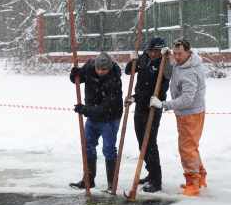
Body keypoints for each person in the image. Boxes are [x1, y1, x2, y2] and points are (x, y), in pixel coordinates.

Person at [150, 38, 207, 197]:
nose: (177, 56)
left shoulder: (190, 71)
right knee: (191, 146)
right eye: (175, 53)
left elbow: (187, 99)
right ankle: (200, 177)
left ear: (189, 51)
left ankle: (193, 183)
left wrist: (164, 105)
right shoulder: (182, 63)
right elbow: (170, 70)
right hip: (188, 113)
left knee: (187, 149)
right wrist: (168, 56)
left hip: (190, 113)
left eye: (179, 53)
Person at [124, 37, 172, 193]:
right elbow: (128, 71)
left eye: (156, 51)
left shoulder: (165, 63)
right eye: (150, 51)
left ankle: (156, 180)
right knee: (141, 142)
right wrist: (133, 61)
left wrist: (167, 57)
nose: (152, 54)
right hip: (139, 105)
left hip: (153, 106)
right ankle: (150, 173)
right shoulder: (144, 59)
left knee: (150, 143)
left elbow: (167, 77)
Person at [69, 52, 123, 191]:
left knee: (109, 150)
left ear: (109, 68)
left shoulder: (114, 80)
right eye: (98, 69)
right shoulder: (90, 67)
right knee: (87, 145)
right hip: (92, 118)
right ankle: (88, 180)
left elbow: (106, 108)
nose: (100, 72)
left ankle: (112, 183)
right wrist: (75, 73)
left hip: (109, 119)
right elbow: (77, 79)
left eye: (104, 70)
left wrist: (84, 110)